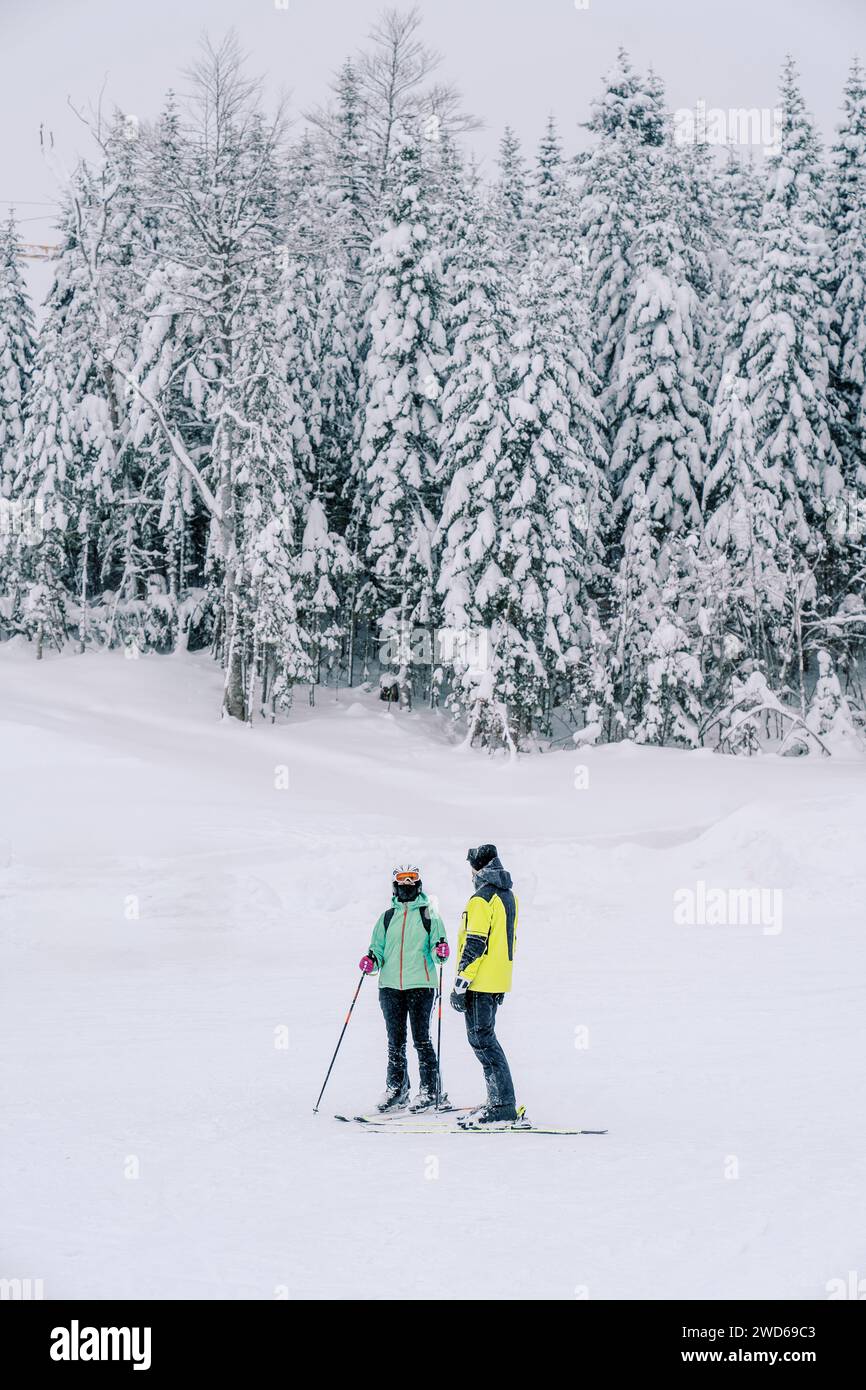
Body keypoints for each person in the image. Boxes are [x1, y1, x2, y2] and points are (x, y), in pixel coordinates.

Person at [360, 866, 450, 1113]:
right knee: (395, 1041)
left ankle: (431, 1090)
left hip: (421, 984)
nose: (407, 883)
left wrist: (440, 952)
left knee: (422, 1039)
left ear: (419, 884)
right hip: (390, 987)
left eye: (412, 879)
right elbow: (377, 948)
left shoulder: (430, 915)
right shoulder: (387, 917)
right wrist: (372, 961)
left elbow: (438, 949)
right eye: (402, 880)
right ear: (395, 885)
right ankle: (396, 1089)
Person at [450, 844, 518, 1125]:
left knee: (482, 1040)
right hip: (498, 978)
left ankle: (503, 1104)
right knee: (485, 1038)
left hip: (480, 981)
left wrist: (459, 986)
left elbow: (475, 944)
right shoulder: (507, 895)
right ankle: (496, 1099)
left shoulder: (481, 899)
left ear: (478, 868)